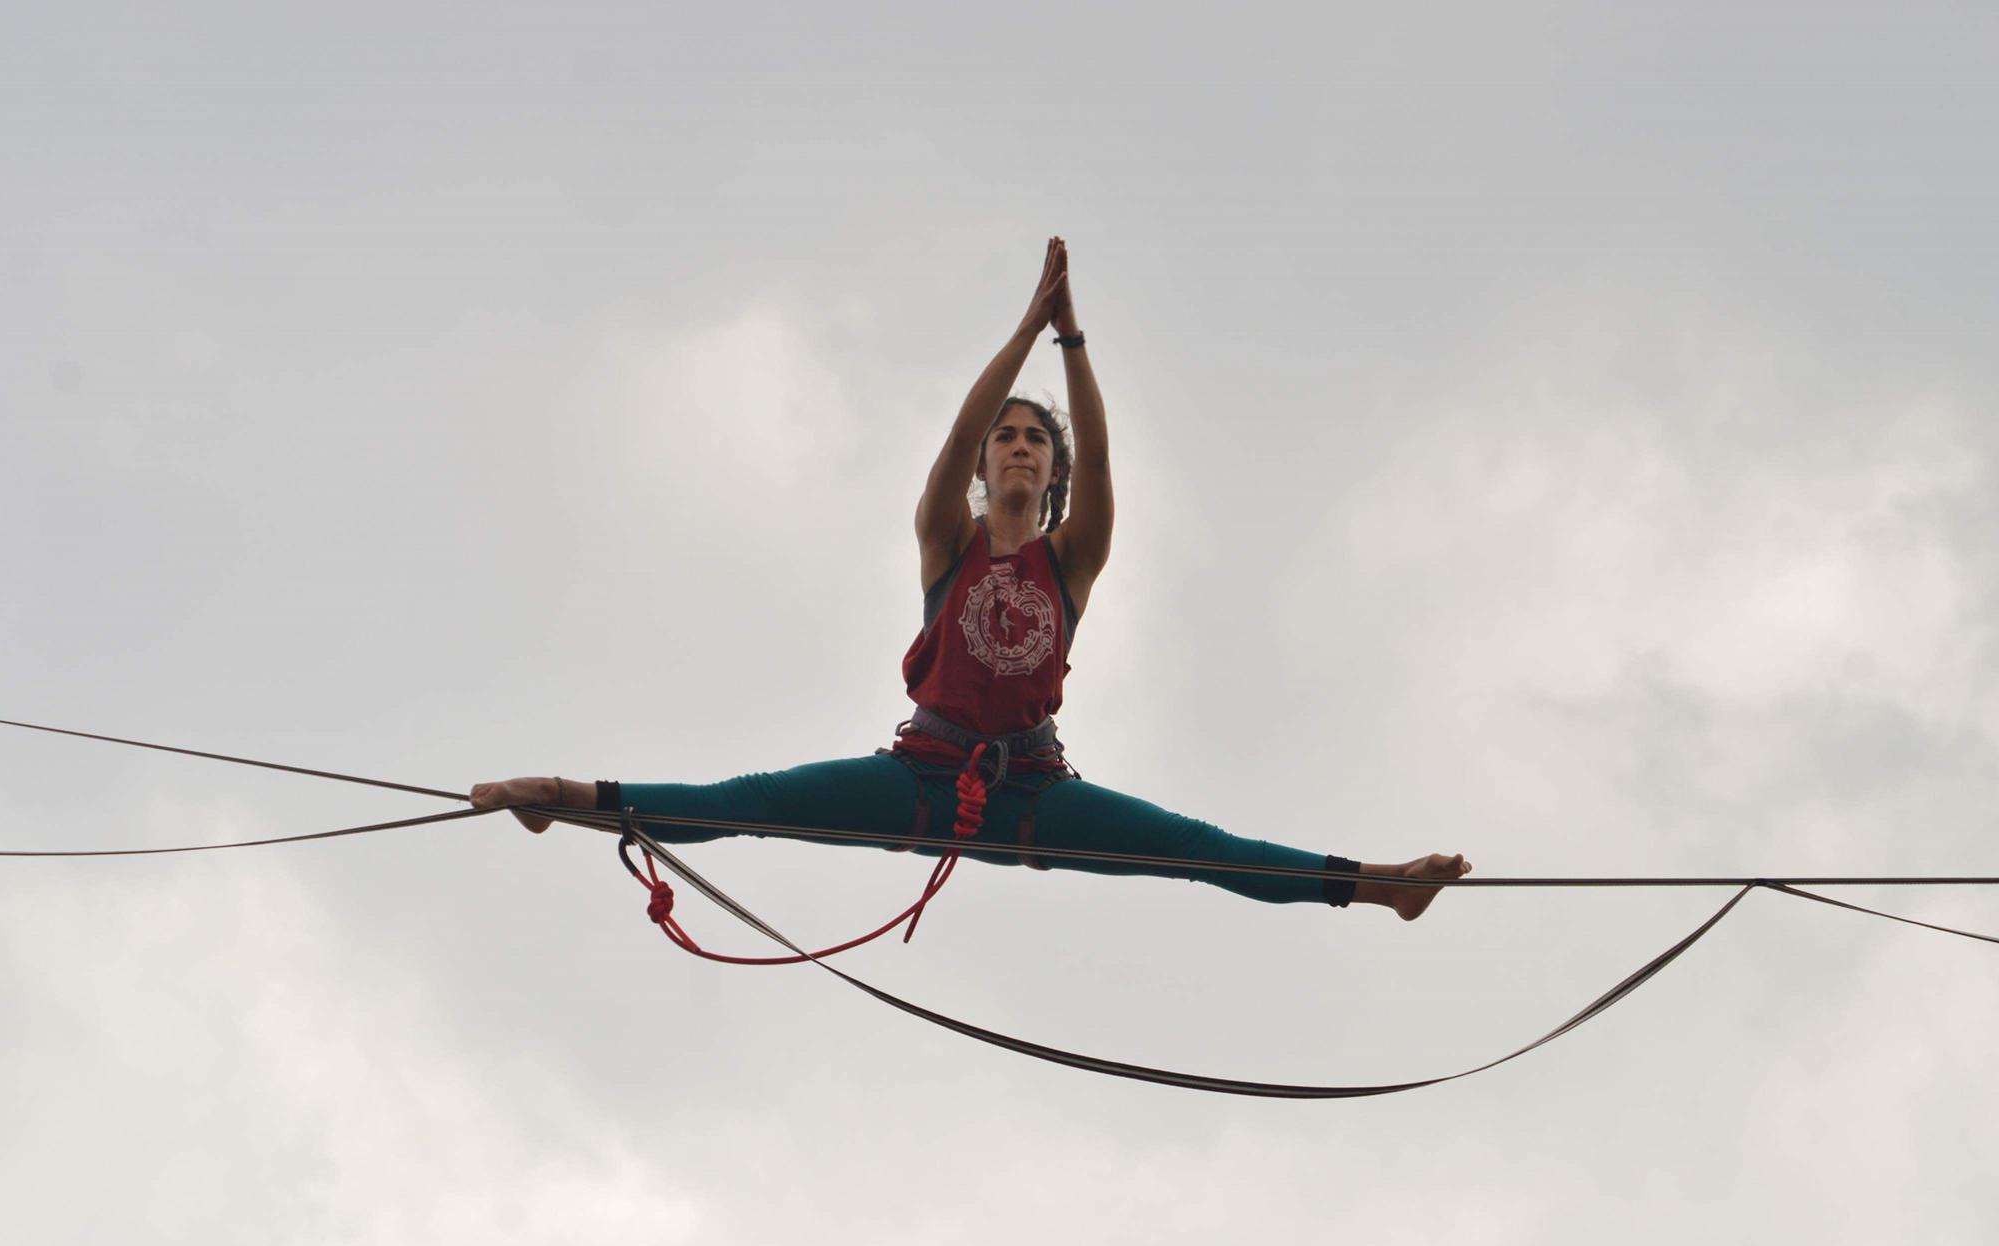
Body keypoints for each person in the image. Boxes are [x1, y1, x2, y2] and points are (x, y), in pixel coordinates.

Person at [472, 238, 1471, 921]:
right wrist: (1027, 326)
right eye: (1008, 438)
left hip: (1033, 792)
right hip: (920, 777)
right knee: (753, 799)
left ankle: (1383, 886)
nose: (1020, 445)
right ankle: (564, 794)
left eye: (1036, 439)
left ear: (1052, 470)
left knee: (1198, 847)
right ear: (987, 467)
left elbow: (1102, 459)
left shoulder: (1069, 559)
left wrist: (1072, 342)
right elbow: (956, 436)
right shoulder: (947, 538)